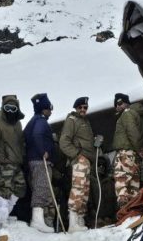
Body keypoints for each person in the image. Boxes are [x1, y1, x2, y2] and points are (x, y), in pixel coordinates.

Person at [0, 95, 26, 230]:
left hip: (17, 163)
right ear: (3, 108)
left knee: (20, 188)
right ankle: (0, 222)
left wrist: (23, 157)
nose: (10, 111)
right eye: (7, 108)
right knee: (4, 191)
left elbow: (21, 143)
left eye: (13, 108)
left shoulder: (18, 123)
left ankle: (5, 213)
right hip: (4, 163)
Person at [59, 97, 95, 233]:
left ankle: (80, 220)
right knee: (78, 189)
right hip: (79, 160)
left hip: (87, 161)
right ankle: (73, 223)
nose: (83, 110)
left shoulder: (85, 122)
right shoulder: (72, 120)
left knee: (84, 192)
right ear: (76, 108)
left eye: (85, 107)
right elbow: (64, 141)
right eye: (80, 107)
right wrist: (77, 155)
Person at [24, 93, 56, 233]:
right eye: (50, 108)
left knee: (40, 187)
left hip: (32, 160)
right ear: (44, 109)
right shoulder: (41, 121)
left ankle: (41, 220)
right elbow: (37, 135)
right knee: (42, 188)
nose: (51, 111)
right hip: (39, 160)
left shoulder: (32, 121)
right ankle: (37, 221)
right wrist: (43, 150)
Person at [112, 93, 143, 209]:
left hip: (126, 153)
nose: (118, 106)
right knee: (133, 187)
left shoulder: (127, 114)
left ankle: (124, 213)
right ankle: (132, 214)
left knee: (121, 183)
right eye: (116, 104)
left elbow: (132, 132)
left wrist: (138, 149)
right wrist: (139, 151)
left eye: (121, 103)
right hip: (134, 156)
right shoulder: (137, 115)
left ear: (127, 103)